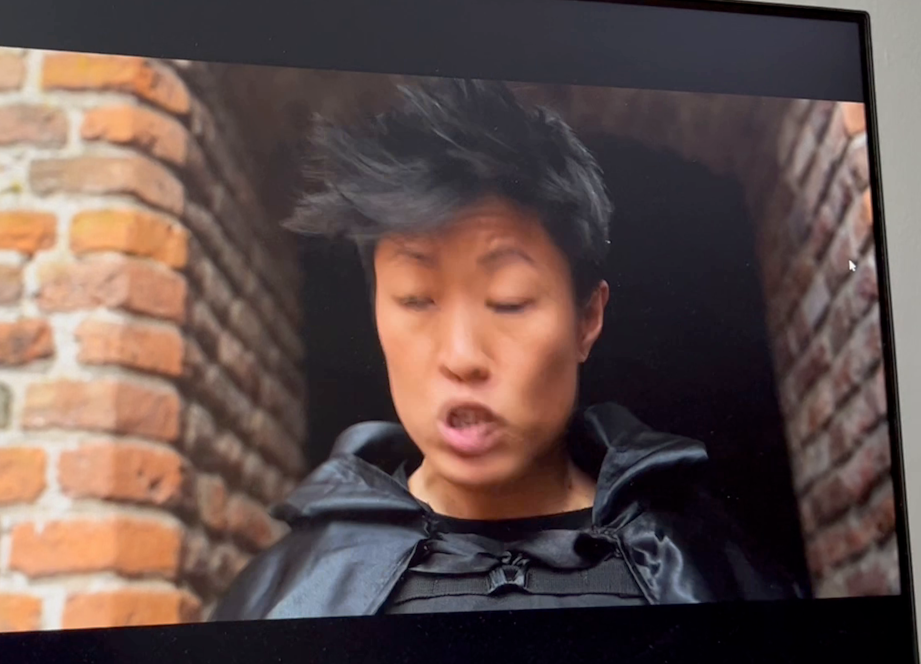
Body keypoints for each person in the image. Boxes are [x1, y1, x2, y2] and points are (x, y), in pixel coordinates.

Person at [211, 79, 798, 621]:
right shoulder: (288, 593)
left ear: (587, 319)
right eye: (416, 299)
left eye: (510, 301)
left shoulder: (704, 567)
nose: (462, 356)